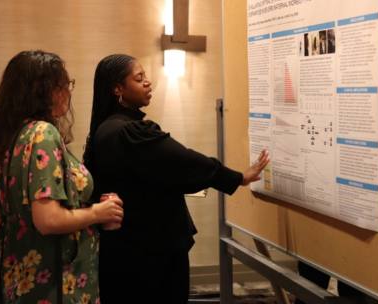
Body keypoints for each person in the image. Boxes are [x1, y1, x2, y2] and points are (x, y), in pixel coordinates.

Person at [83, 54, 270, 304]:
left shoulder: (105, 129)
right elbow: (183, 162)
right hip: (148, 254)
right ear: (118, 88)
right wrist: (237, 178)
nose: (148, 83)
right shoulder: (129, 132)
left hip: (124, 250)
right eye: (139, 78)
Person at [0, 50, 124, 303]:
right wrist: (97, 213)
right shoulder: (42, 134)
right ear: (43, 91)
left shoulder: (9, 139)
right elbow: (48, 220)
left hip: (17, 280)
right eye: (64, 85)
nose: (68, 92)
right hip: (54, 284)